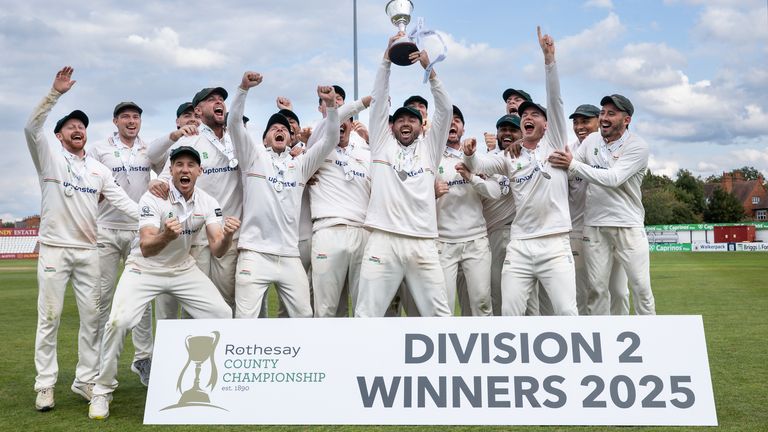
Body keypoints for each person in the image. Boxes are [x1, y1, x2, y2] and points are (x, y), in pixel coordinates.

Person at [88, 146, 237, 420]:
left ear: (199, 172)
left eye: (191, 165)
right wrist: (166, 236)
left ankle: (213, 382)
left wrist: (227, 236)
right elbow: (145, 246)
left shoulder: (208, 201)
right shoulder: (152, 198)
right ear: (171, 170)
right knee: (119, 322)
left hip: (182, 269)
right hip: (144, 268)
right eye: (178, 164)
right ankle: (101, 390)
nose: (185, 170)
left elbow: (217, 248)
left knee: (222, 313)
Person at [24, 66, 138, 411]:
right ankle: (45, 384)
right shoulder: (49, 157)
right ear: (58, 136)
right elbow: (32, 127)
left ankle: (85, 379)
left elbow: (125, 204)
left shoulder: (98, 169)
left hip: (89, 250)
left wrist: (156, 219)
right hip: (56, 250)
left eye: (82, 126)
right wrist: (55, 94)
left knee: (93, 319)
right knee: (50, 317)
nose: (78, 129)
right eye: (71, 126)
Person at [463, 27, 577, 316]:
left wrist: (549, 60)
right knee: (510, 314)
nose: (527, 117)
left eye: (534, 115)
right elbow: (480, 167)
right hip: (520, 244)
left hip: (554, 243)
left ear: (547, 125)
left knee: (566, 313)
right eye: (524, 115)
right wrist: (470, 153)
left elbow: (556, 101)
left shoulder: (553, 142)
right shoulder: (509, 156)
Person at [355, 33, 453, 317]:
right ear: (392, 125)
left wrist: (429, 70)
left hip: (422, 241)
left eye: (412, 119)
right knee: (367, 315)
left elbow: (445, 109)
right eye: (400, 119)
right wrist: (386, 59)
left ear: (422, 126)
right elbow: (378, 102)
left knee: (439, 316)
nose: (406, 123)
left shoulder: (430, 149)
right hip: (383, 239)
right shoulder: (381, 144)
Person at [228, 73, 341, 319]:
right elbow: (234, 123)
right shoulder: (253, 158)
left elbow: (331, 139)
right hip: (254, 253)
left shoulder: (300, 165)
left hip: (289, 256)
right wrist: (244, 89)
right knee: (244, 319)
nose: (279, 130)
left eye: (284, 129)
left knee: (304, 316)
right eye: (273, 128)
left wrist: (331, 106)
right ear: (264, 138)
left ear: (290, 139)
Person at [90, 101, 175, 387]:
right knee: (102, 298)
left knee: (142, 298)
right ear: (115, 121)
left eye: (136, 117)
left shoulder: (149, 149)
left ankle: (143, 358)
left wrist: (158, 184)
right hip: (106, 229)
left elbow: (170, 171)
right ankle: (99, 361)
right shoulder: (100, 148)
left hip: (141, 229)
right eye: (125, 116)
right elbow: (85, 177)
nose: (131, 121)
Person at [549, 95, 656, 315]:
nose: (604, 117)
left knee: (641, 288)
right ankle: (602, 342)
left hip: (628, 224)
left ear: (626, 120)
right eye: (602, 112)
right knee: (596, 290)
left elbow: (614, 179)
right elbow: (567, 170)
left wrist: (573, 166)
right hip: (594, 225)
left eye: (611, 113)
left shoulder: (637, 146)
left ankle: (653, 341)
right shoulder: (591, 141)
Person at [149, 87, 243, 316]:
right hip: (196, 233)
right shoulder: (190, 141)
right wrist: (155, 184)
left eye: (221, 99)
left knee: (227, 300)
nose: (219, 102)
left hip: (229, 232)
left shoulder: (238, 140)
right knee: (196, 302)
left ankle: (224, 349)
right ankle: (194, 350)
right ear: (198, 111)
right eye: (212, 100)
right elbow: (164, 177)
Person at [308, 105, 372, 317]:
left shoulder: (366, 152)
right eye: (336, 119)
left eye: (347, 119)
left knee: (364, 309)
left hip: (361, 231)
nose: (340, 123)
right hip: (328, 229)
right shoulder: (318, 148)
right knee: (326, 309)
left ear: (352, 125)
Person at [434, 105, 498, 315]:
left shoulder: (476, 159)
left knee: (482, 303)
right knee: (443, 307)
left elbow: (494, 192)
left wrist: (472, 178)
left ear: (463, 129)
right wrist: (431, 193)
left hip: (476, 240)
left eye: (457, 120)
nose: (452, 123)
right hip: (443, 242)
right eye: (447, 120)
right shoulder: (431, 159)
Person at [566, 104, 630, 315]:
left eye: (585, 121)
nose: (579, 126)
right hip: (579, 230)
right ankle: (590, 338)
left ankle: (621, 335)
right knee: (585, 292)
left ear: (599, 121)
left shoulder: (616, 149)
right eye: (575, 122)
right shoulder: (570, 151)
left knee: (619, 291)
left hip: (611, 227)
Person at [154, 102, 201, 320]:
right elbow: (151, 155)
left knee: (197, 301)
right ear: (177, 121)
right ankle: (161, 351)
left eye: (195, 115)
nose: (192, 120)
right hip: (172, 229)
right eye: (186, 116)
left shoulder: (215, 142)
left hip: (201, 228)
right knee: (167, 302)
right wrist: (176, 135)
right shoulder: (172, 146)